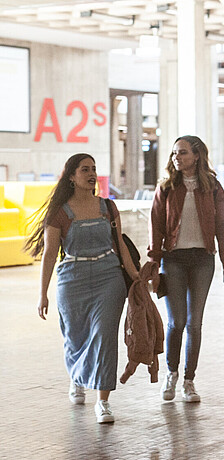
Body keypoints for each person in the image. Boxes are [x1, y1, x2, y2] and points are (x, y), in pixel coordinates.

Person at [26, 153, 139, 424]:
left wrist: (136, 276)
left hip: (108, 276)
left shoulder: (107, 208)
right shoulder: (59, 213)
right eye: (84, 169)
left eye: (93, 169)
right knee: (74, 336)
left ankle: (103, 401)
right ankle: (77, 377)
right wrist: (42, 293)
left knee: (104, 335)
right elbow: (50, 254)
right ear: (72, 177)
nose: (91, 174)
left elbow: (121, 245)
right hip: (72, 278)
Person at [148, 135, 224, 403]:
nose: (177, 158)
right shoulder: (166, 188)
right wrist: (153, 261)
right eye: (175, 153)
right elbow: (156, 226)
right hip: (173, 259)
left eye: (183, 153)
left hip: (202, 260)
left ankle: (189, 380)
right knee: (177, 321)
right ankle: (171, 374)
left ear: (196, 156)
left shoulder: (213, 188)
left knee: (195, 323)